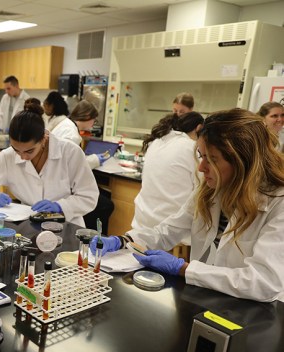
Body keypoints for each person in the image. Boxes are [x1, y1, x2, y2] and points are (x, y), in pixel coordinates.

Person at [91, 108, 284, 302]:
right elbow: (167, 231)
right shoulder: (211, 191)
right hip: (205, 297)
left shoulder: (278, 203)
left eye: (212, 159)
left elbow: (264, 282)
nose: (201, 167)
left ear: (243, 161)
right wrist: (124, 240)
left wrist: (184, 269)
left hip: (253, 313)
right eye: (202, 156)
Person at [0, 100, 99, 226]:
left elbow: (89, 196)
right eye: (17, 150)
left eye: (29, 151)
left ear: (44, 138)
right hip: (28, 225)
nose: (23, 156)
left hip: (66, 225)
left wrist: (60, 206)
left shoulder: (70, 152)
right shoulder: (8, 155)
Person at [132, 111, 204, 245]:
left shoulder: (157, 142)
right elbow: (201, 189)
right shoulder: (191, 147)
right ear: (198, 128)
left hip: (142, 221)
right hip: (170, 229)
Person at [69, 100, 108, 169]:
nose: (93, 123)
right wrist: (95, 160)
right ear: (87, 116)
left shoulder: (68, 125)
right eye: (94, 120)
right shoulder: (72, 135)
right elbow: (75, 167)